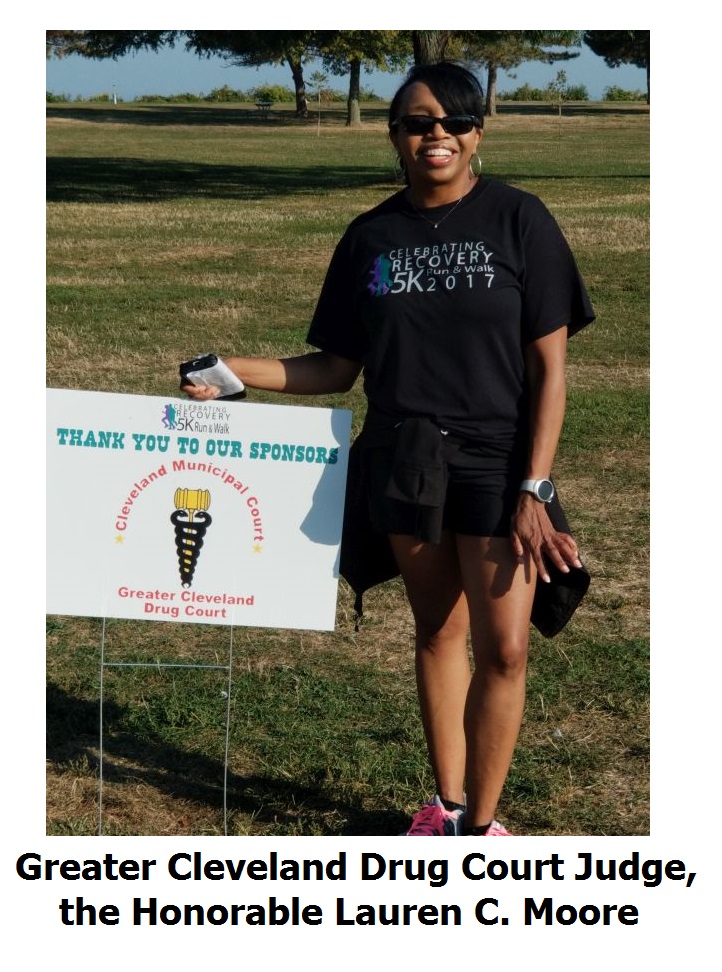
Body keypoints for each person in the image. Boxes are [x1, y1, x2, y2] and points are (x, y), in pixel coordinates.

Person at [181, 61, 594, 836]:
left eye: (454, 120)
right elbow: (337, 367)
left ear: (477, 132)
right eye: (418, 122)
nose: (437, 134)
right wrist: (236, 373)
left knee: (505, 649)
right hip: (406, 458)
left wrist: (534, 486)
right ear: (395, 136)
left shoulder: (520, 220)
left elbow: (551, 371)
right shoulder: (370, 237)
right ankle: (447, 806)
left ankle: (483, 828)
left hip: (500, 460)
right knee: (437, 631)